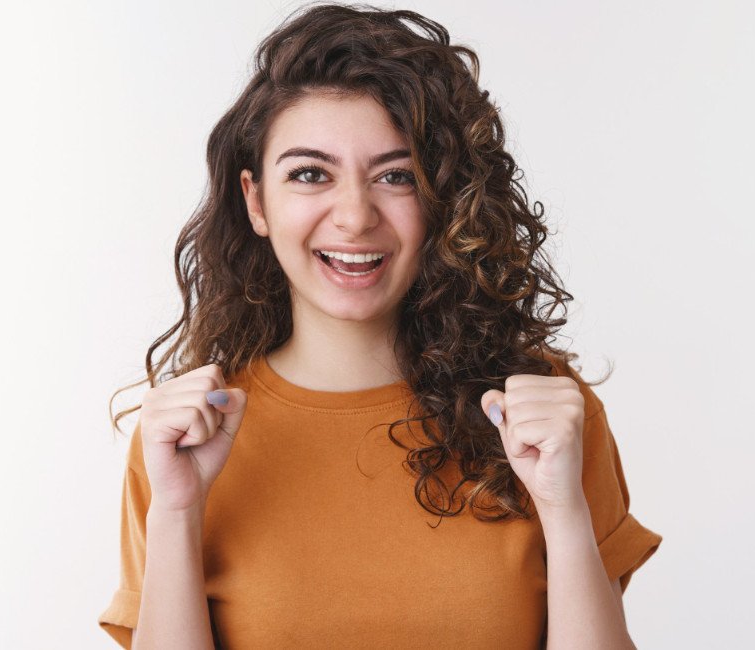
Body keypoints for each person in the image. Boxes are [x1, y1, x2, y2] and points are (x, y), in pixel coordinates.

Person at [98, 4, 662, 648]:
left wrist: (563, 511)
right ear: (256, 200)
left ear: (442, 197)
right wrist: (177, 513)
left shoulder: (547, 420)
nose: (355, 216)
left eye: (396, 176)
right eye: (311, 174)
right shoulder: (183, 442)